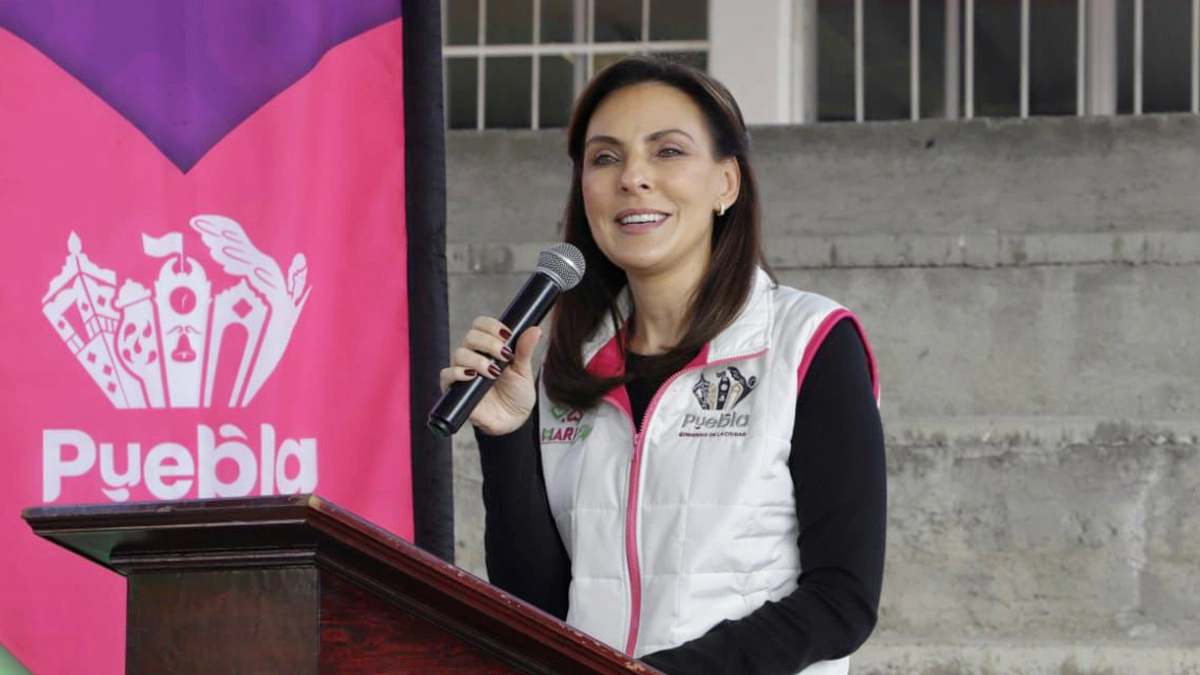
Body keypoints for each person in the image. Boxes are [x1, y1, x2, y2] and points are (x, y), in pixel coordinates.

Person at [440, 54, 886, 675]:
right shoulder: (570, 365)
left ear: (726, 183)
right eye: (605, 157)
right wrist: (507, 433)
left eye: (668, 151)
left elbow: (842, 599)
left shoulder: (810, 340)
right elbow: (538, 604)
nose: (634, 178)